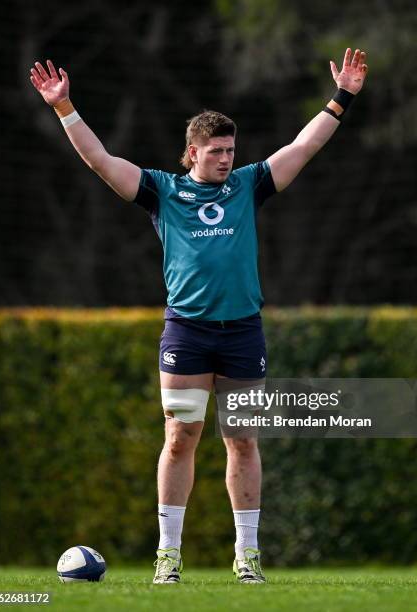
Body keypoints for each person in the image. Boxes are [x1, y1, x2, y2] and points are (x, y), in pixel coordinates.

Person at [30, 48, 368, 584]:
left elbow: (304, 147)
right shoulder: (162, 190)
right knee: (180, 436)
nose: (226, 159)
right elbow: (100, 160)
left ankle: (248, 555)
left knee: (243, 438)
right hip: (186, 332)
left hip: (242, 332)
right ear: (192, 153)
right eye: (216, 151)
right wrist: (64, 106)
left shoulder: (250, 184)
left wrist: (342, 95)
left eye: (231, 150)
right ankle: (168, 554)